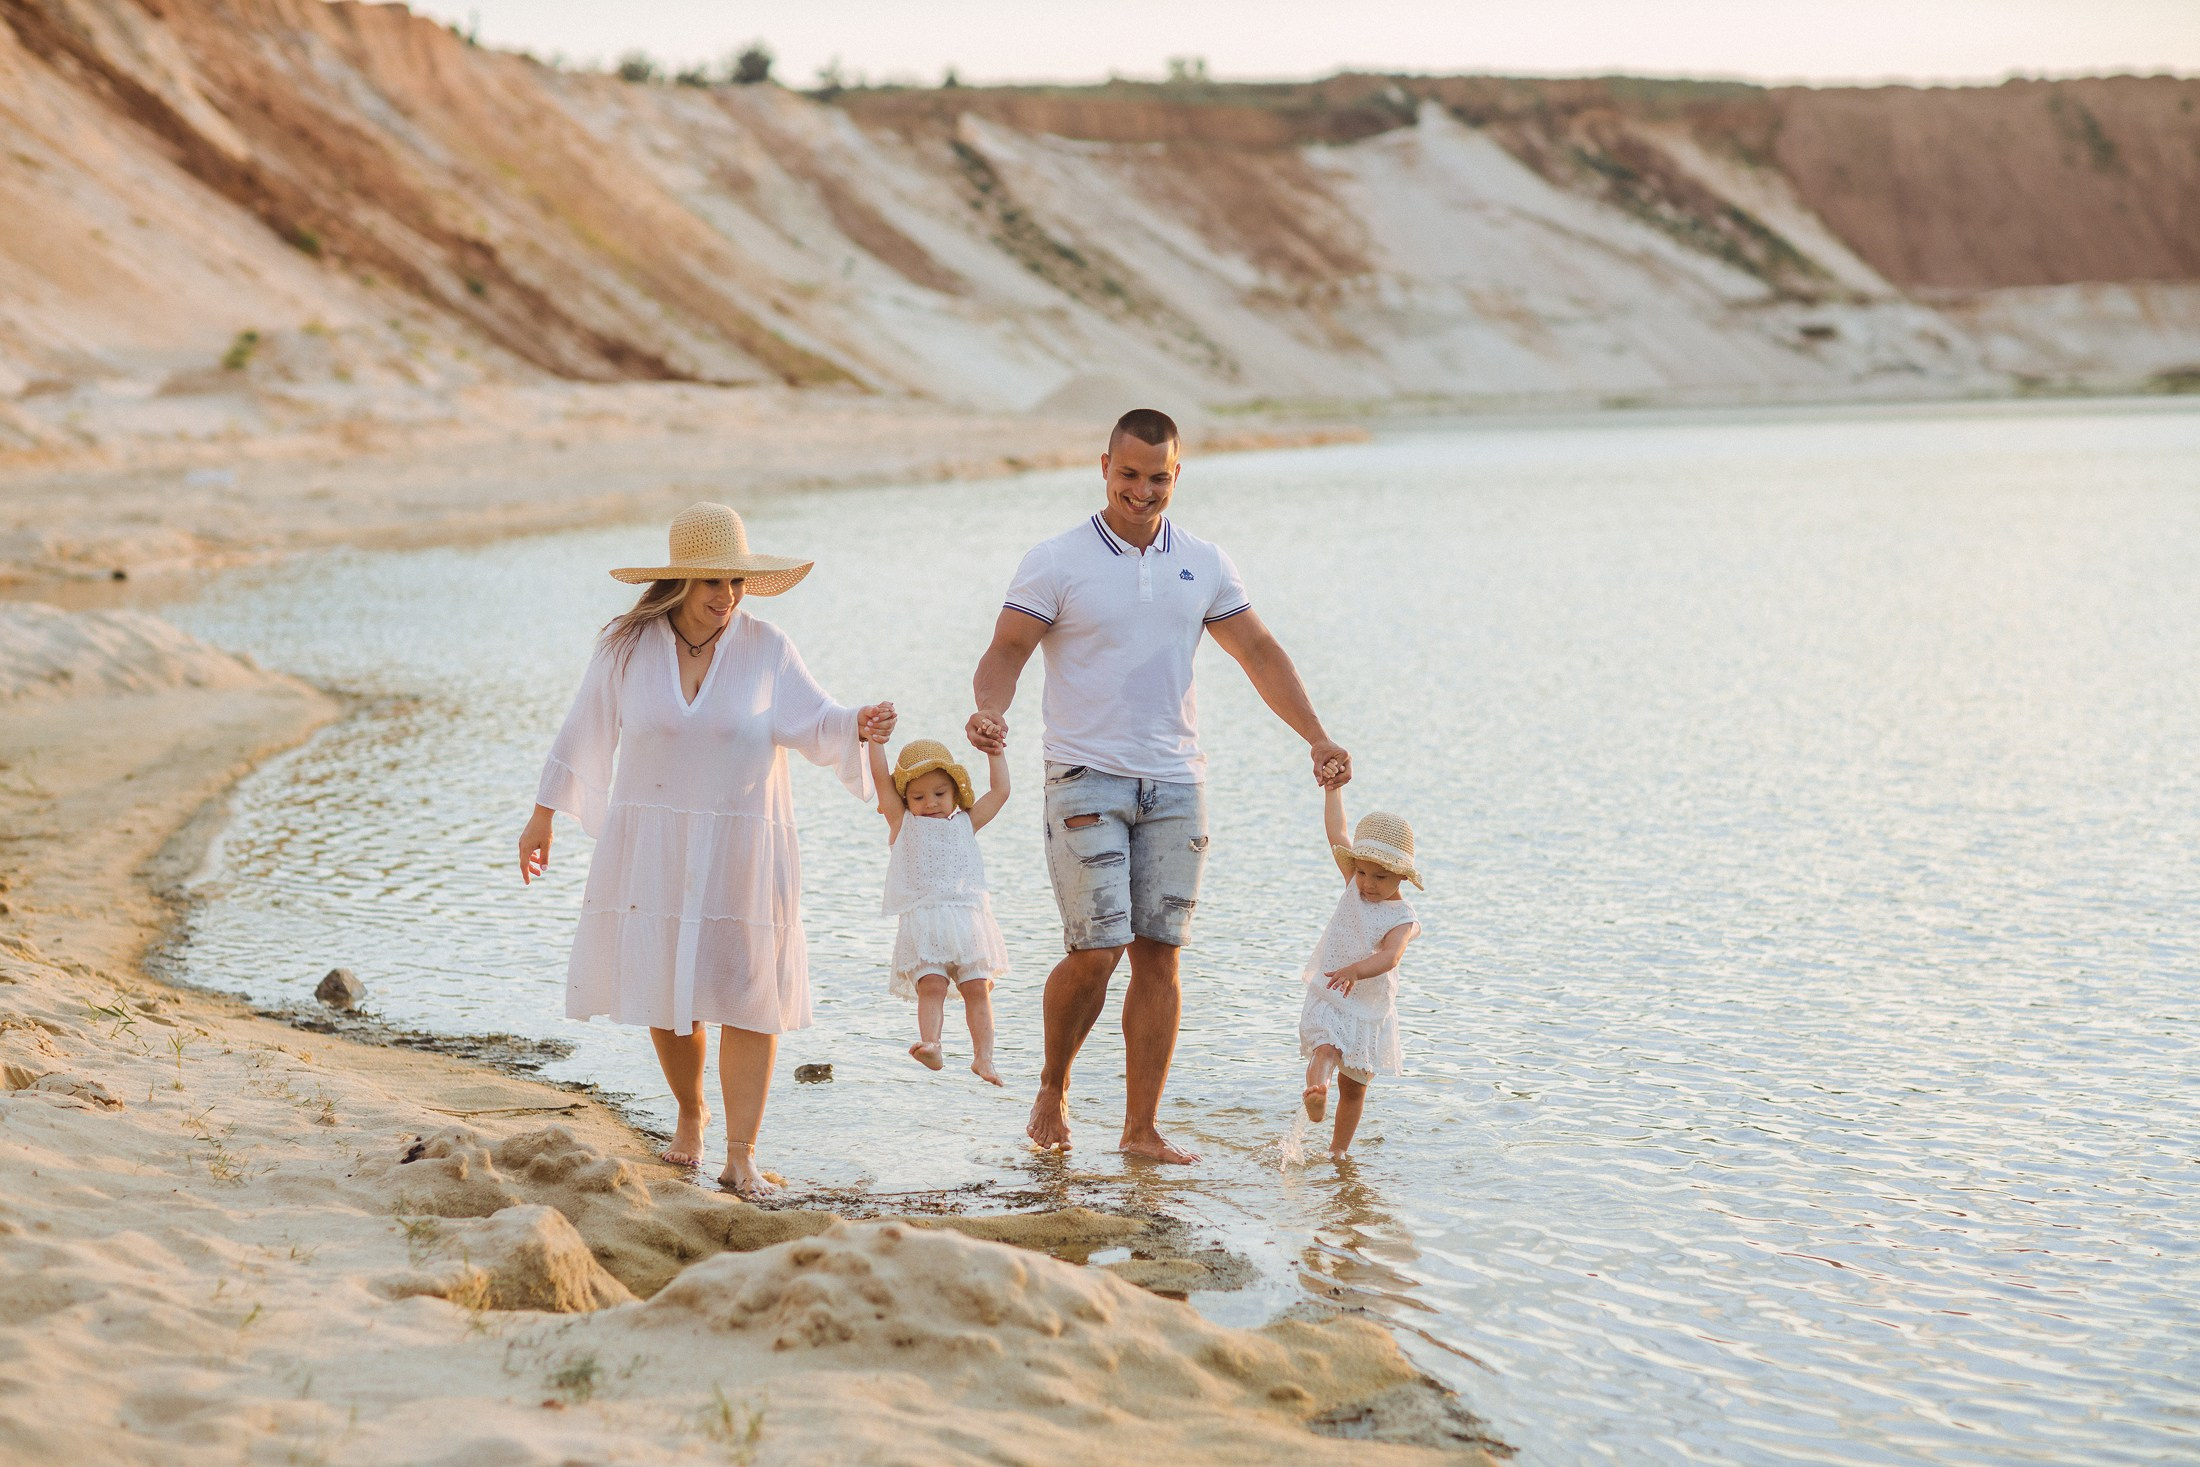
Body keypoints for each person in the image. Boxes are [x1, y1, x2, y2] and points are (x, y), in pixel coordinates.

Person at [967, 407, 1351, 1164]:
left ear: (1179, 473)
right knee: (1096, 948)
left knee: (1159, 953)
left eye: (1158, 478)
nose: (1142, 493)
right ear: (1103, 465)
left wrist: (1316, 734)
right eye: (1129, 475)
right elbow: (1008, 647)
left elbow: (1260, 652)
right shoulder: (1057, 559)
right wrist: (988, 710)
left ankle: (1141, 1129)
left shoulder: (1204, 560)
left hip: (1176, 782)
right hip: (1084, 777)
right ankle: (1054, 1082)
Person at [518, 502, 896, 1197]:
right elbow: (584, 727)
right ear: (678, 584)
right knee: (669, 993)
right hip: (654, 843)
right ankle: (691, 1114)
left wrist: (861, 725)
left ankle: (740, 1152)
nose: (727, 597)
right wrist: (541, 816)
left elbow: (818, 720)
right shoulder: (625, 647)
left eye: (735, 582)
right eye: (711, 583)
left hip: (743, 844)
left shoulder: (767, 646)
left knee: (752, 995)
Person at [869, 737, 1012, 1084]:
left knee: (977, 988)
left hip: (967, 920)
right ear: (905, 799)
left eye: (939, 794)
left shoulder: (967, 821)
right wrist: (875, 740)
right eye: (918, 797)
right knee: (931, 985)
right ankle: (931, 1044)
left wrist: (996, 753)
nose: (930, 803)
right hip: (925, 922)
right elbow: (879, 779)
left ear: (955, 793)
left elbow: (1001, 791)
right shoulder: (903, 823)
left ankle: (984, 1058)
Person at [1299, 789, 1423, 1160]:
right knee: (1325, 1047)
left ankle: (1338, 1151)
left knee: (1354, 1087)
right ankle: (1317, 1092)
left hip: (1368, 1008)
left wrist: (1357, 970)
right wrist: (1332, 789)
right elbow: (1337, 832)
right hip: (1331, 991)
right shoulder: (1355, 883)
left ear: (1401, 875)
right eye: (1364, 872)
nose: (1368, 883)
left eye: (1380, 877)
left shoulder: (1402, 918)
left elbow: (1390, 956)